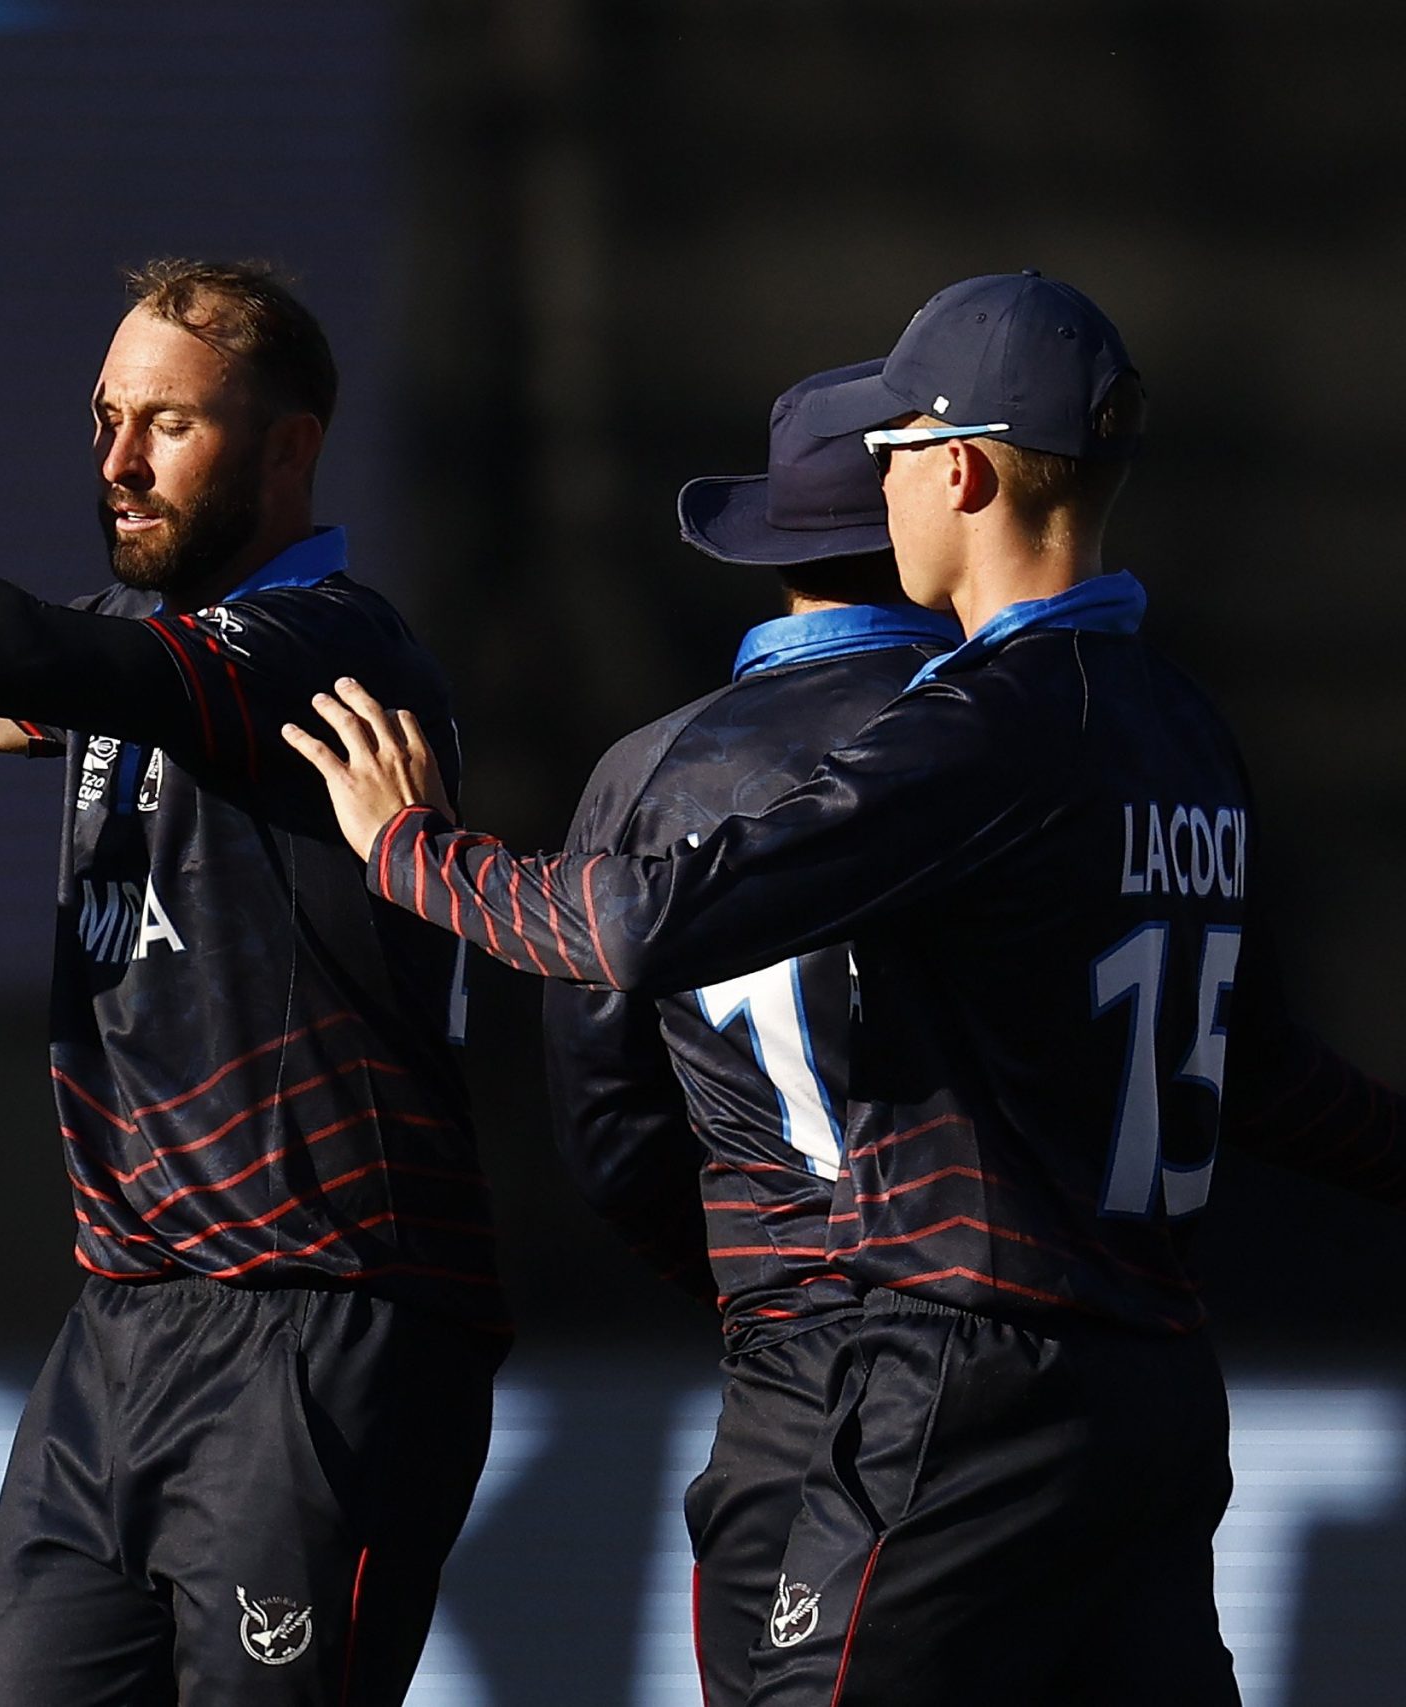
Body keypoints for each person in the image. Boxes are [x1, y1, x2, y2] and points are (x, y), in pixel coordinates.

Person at [288, 272, 1406, 1705]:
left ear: (959, 466)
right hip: (1155, 1398)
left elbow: (643, 922)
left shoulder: (990, 727)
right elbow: (1261, 1073)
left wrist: (407, 846)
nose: (878, 502)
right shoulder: (1181, 726)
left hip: (961, 1388)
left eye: (890, 462)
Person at [0, 218, 501, 1703]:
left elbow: (1, 656)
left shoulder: (325, 650)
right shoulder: (142, 644)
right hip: (125, 1328)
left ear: (288, 452)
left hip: (319, 1321)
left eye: (169, 425)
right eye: (105, 420)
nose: (118, 462)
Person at [541, 361, 956, 1707]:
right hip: (1039, 1361)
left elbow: (609, 1131)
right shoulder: (1027, 736)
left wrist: (748, 1281)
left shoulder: (650, 775)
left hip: (805, 1383)